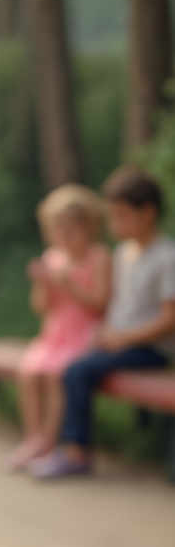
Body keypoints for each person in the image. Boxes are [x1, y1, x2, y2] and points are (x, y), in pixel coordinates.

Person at [31, 166, 175, 481]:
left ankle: (76, 452)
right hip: (119, 342)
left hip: (149, 349)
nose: (114, 225)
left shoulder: (167, 257)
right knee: (74, 364)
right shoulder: (124, 253)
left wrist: (123, 338)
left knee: (77, 370)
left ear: (148, 213)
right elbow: (115, 306)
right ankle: (52, 443)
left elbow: (169, 319)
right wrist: (105, 332)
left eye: (121, 216)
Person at [8, 184, 111, 471]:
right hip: (54, 335)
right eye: (58, 231)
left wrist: (69, 284)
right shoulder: (53, 257)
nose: (64, 238)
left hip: (83, 336)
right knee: (28, 373)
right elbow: (40, 307)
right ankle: (34, 437)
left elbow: (100, 304)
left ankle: (50, 443)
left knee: (57, 376)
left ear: (89, 227)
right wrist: (42, 283)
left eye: (71, 230)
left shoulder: (99, 256)